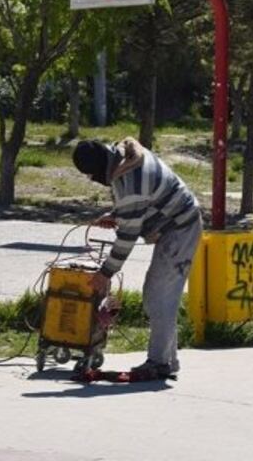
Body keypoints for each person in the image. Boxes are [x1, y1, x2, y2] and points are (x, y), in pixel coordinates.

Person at [72, 136, 202, 380]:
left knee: (159, 296)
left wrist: (105, 273)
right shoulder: (124, 158)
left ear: (100, 167)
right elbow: (136, 207)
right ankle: (167, 361)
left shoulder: (129, 181)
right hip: (176, 223)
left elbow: (126, 237)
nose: (93, 180)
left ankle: (160, 362)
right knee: (159, 296)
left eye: (91, 175)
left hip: (180, 229)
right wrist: (118, 214)